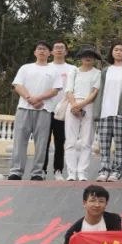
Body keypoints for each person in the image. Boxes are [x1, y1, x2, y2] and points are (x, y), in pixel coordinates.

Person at [8, 41, 64, 181]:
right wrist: (29, 98)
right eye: (39, 49)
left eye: (45, 49)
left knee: (42, 142)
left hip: (44, 109)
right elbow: (17, 85)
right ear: (35, 52)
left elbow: (55, 90)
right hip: (24, 108)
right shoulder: (26, 68)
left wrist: (38, 99)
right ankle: (16, 171)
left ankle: (37, 172)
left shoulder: (54, 71)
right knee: (20, 141)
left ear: (49, 53)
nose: (42, 51)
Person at [93, 43, 122, 182]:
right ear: (111, 52)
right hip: (105, 112)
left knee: (120, 144)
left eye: (121, 50)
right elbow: (100, 91)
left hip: (121, 112)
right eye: (116, 50)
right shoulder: (105, 71)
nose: (118, 52)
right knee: (104, 144)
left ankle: (116, 171)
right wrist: (97, 111)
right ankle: (104, 170)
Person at [63, 46, 101, 182]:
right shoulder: (74, 71)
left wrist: (81, 105)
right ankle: (71, 172)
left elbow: (94, 92)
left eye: (91, 55)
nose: (88, 58)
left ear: (94, 59)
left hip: (89, 105)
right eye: (85, 55)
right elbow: (69, 90)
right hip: (72, 104)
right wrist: (74, 105)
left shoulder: (97, 73)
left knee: (86, 141)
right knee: (70, 141)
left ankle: (82, 172)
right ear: (81, 57)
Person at [44, 40, 71, 181]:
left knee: (60, 142)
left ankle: (58, 170)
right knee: (44, 141)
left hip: (63, 111)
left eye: (62, 47)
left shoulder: (72, 69)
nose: (59, 49)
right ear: (51, 52)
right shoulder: (46, 67)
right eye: (56, 47)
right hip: (46, 109)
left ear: (66, 51)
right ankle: (41, 170)